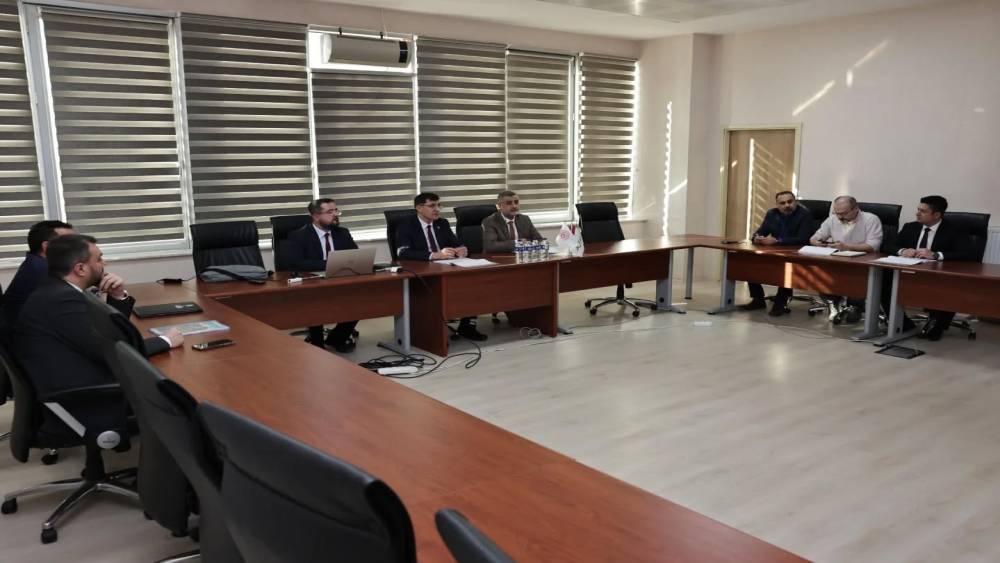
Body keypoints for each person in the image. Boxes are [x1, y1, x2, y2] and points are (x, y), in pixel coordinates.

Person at [14, 235, 182, 432]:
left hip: (75, 380)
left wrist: (117, 296)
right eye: (99, 258)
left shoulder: (56, 289)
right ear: (80, 269)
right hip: (84, 401)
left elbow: (109, 335)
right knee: (179, 394)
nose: (105, 263)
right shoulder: (61, 300)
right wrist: (165, 340)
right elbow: (112, 350)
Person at [394, 192, 487, 341]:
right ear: (419, 208)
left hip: (445, 268)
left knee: (472, 283)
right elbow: (402, 252)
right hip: (422, 272)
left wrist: (461, 249)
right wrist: (434, 255)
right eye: (432, 205)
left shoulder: (442, 223)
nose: (437, 209)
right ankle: (433, 333)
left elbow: (456, 243)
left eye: (439, 205)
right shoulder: (406, 225)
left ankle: (467, 326)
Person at [881, 195, 974, 341]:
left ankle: (937, 324)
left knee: (947, 285)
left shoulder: (955, 230)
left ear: (936, 215)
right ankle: (903, 324)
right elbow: (887, 245)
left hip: (939, 274)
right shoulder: (911, 227)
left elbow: (968, 254)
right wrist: (902, 251)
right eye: (918, 209)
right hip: (909, 272)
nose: (917, 213)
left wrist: (936, 254)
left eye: (923, 211)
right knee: (883, 279)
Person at [282, 198, 360, 352]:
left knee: (362, 299)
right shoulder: (298, 236)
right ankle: (317, 343)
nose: (335, 214)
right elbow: (295, 263)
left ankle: (336, 339)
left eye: (336, 210)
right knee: (315, 301)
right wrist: (331, 263)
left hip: (340, 279)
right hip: (312, 282)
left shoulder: (343, 233)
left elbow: (354, 256)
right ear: (316, 216)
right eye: (330, 212)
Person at [809, 195, 884, 323]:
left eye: (844, 213)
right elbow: (814, 238)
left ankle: (855, 306)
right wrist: (817, 242)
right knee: (821, 274)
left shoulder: (870, 219)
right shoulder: (833, 219)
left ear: (855, 209)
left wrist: (847, 246)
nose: (839, 217)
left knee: (855, 280)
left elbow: (873, 246)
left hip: (862, 262)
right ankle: (833, 303)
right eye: (837, 213)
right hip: (837, 260)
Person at [740, 191, 813, 316]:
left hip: (796, 252)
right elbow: (760, 232)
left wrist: (778, 240)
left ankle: (781, 303)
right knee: (750, 262)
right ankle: (758, 299)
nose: (787, 205)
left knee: (786, 268)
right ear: (777, 205)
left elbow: (803, 238)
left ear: (795, 202)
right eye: (782, 203)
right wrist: (757, 238)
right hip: (776, 250)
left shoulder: (804, 214)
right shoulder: (772, 214)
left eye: (790, 202)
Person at [3, 220, 74, 325]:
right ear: (47, 247)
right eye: (70, 243)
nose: (77, 247)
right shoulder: (43, 273)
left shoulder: (34, 264)